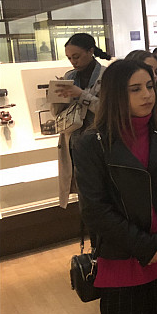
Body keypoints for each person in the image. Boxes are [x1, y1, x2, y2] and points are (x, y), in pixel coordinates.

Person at [73, 59, 157, 314]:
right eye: (135, 89)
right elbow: (94, 208)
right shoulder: (92, 143)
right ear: (116, 94)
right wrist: (145, 245)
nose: (147, 95)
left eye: (150, 86)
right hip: (122, 259)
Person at [51, 32, 111, 208]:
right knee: (83, 197)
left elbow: (108, 112)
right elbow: (57, 115)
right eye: (69, 58)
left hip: (100, 143)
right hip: (74, 143)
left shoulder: (106, 77)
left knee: (102, 194)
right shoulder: (69, 77)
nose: (73, 62)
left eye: (76, 56)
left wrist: (81, 95)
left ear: (90, 51)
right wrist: (56, 96)